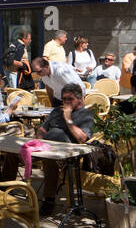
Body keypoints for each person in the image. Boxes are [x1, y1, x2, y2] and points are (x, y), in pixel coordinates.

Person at [38, 84, 94, 216]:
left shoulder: (86, 115)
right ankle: (5, 190)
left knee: (49, 160)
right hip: (44, 146)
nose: (66, 102)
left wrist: (68, 118)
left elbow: (82, 138)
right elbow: (42, 129)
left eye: (70, 99)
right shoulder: (56, 111)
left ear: (79, 99)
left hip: (66, 153)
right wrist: (39, 140)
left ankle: (49, 200)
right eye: (64, 99)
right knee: (14, 154)